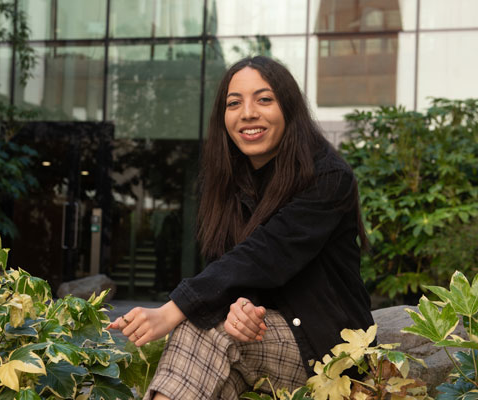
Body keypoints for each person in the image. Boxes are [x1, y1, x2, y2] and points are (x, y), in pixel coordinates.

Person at [108, 56, 374, 400]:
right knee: (215, 373)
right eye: (234, 103)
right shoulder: (228, 182)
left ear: (289, 109)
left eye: (264, 99)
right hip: (266, 340)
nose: (248, 113)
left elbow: (267, 255)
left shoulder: (327, 176)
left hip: (333, 354)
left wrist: (172, 310)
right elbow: (232, 270)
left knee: (203, 328)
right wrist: (240, 307)